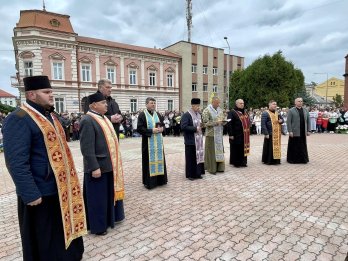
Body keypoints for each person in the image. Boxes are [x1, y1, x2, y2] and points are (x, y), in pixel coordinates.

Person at [2, 75, 86, 261]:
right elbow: (16, 162)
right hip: (40, 193)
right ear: (32, 94)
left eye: (51, 91)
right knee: (45, 238)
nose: (51, 95)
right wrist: (30, 193)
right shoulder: (19, 118)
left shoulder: (50, 116)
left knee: (60, 233)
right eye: (46, 92)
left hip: (60, 189)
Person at [79, 93, 125, 236]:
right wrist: (94, 167)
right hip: (98, 167)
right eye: (103, 103)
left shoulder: (103, 118)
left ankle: (108, 220)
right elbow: (86, 148)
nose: (106, 105)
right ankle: (98, 227)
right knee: (97, 200)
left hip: (108, 165)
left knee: (105, 197)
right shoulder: (87, 120)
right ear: (93, 105)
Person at [137, 97, 168, 189]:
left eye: (154, 103)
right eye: (151, 103)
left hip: (158, 143)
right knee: (149, 161)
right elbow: (139, 128)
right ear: (146, 104)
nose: (153, 104)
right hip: (148, 143)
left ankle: (160, 180)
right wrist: (151, 130)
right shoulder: (142, 115)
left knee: (160, 160)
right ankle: (150, 182)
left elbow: (163, 126)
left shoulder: (158, 114)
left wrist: (163, 129)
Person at [181, 98, 205, 180]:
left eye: (199, 105)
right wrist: (195, 129)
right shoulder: (186, 115)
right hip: (190, 140)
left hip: (198, 141)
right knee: (191, 158)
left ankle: (198, 173)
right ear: (193, 106)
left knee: (198, 156)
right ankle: (191, 175)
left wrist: (202, 126)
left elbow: (200, 125)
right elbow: (183, 127)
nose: (198, 107)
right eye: (197, 106)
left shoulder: (199, 115)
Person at [202, 96, 225, 174]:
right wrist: (215, 123)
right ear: (213, 102)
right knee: (211, 152)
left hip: (219, 133)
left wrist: (224, 121)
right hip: (211, 134)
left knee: (219, 151)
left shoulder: (220, 110)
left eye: (219, 103)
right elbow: (205, 123)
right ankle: (211, 168)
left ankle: (220, 167)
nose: (219, 104)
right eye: (217, 103)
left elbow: (223, 118)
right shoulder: (206, 110)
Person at [286, 97, 311, 164]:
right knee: (294, 146)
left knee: (302, 146)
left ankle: (303, 159)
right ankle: (293, 159)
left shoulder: (305, 110)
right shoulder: (291, 110)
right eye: (299, 101)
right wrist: (290, 131)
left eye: (301, 101)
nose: (300, 102)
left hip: (303, 131)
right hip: (294, 132)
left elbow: (308, 121)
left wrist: (309, 130)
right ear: (295, 102)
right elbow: (288, 122)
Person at [227, 99, 250, 168]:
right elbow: (229, 124)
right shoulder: (232, 112)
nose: (242, 104)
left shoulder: (245, 112)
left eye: (243, 103)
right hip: (236, 135)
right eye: (240, 103)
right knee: (236, 148)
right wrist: (231, 134)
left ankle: (243, 162)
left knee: (243, 148)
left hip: (244, 135)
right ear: (236, 104)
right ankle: (236, 163)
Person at [261, 100, 284, 165]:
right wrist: (266, 133)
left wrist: (281, 121)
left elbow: (282, 120)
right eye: (274, 104)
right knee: (269, 148)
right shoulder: (265, 113)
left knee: (276, 147)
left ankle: (276, 160)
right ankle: (269, 160)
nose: (275, 105)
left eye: (276, 104)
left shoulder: (277, 113)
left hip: (277, 134)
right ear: (269, 105)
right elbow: (263, 124)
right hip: (270, 134)